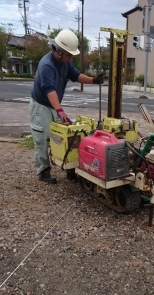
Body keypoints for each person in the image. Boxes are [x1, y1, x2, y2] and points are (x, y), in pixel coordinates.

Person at [29, 29, 104, 184]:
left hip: (54, 105)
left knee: (62, 137)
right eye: (69, 54)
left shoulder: (65, 62)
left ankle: (69, 167)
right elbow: (49, 90)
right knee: (43, 138)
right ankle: (44, 171)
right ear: (59, 51)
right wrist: (60, 111)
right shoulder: (46, 65)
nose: (71, 58)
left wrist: (93, 80)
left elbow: (76, 75)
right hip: (41, 106)